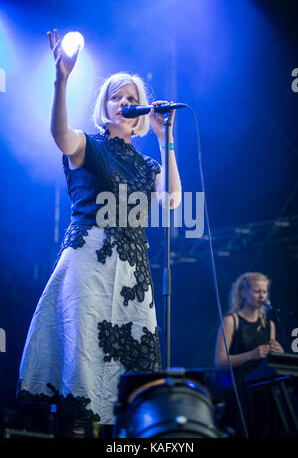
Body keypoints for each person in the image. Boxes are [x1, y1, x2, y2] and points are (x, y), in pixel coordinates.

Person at [16, 29, 181, 438]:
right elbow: (59, 136)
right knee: (83, 366)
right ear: (105, 108)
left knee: (128, 379)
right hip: (89, 264)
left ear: (140, 111)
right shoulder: (88, 146)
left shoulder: (148, 165)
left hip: (133, 276)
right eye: (117, 97)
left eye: (131, 98)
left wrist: (166, 139)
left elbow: (174, 201)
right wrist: (61, 79)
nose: (125, 102)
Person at [214, 272, 284, 438]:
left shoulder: (269, 324)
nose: (262, 296)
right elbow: (220, 361)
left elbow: (269, 363)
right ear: (243, 293)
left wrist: (278, 354)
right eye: (257, 291)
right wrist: (251, 355)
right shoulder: (231, 321)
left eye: (265, 292)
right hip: (240, 391)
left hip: (264, 392)